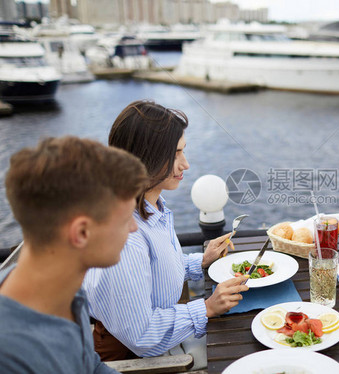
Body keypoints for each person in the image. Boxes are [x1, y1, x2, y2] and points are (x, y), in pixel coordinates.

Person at [83, 100, 249, 365]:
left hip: (159, 339)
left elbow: (152, 273)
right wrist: (206, 307)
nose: (186, 164)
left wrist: (200, 262)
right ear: (145, 157)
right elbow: (142, 337)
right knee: (244, 350)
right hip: (133, 358)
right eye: (175, 154)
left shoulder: (151, 205)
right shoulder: (125, 236)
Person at [0, 136, 148, 373]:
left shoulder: (66, 286)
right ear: (81, 233)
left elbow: (90, 366)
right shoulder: (9, 355)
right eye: (125, 218)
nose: (134, 227)